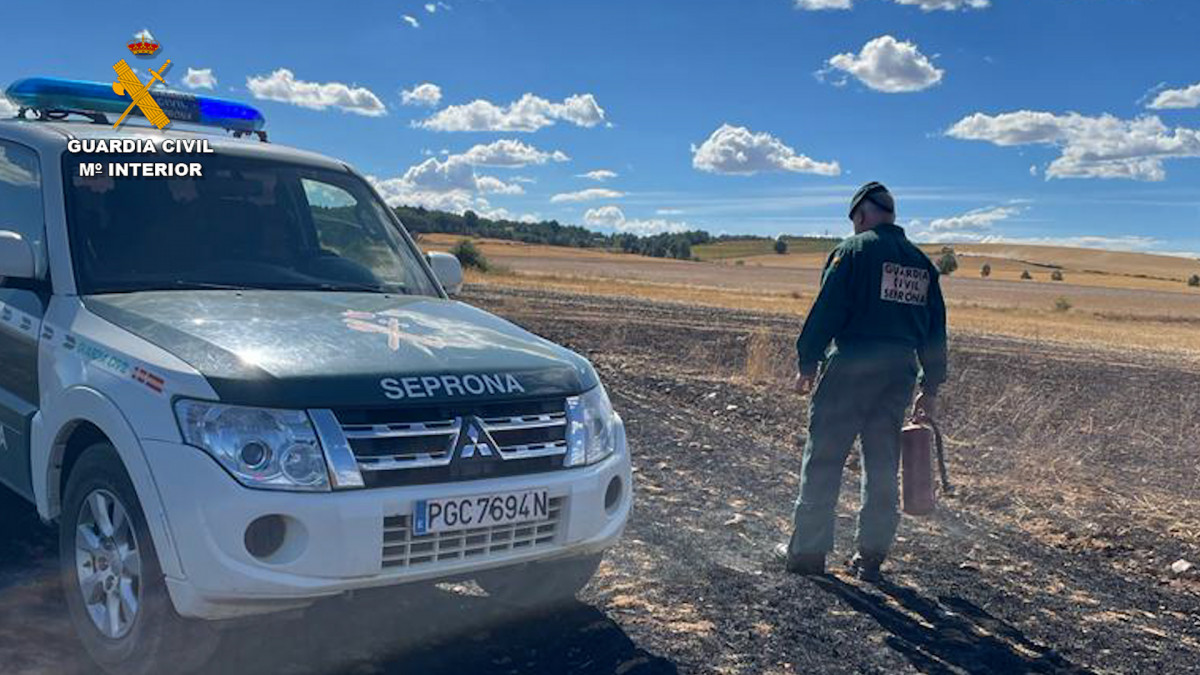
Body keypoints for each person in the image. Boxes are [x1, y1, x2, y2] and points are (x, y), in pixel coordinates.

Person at [774, 182, 947, 582]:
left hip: (851, 365)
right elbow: (936, 330)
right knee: (883, 463)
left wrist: (808, 360)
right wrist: (930, 387)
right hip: (898, 374)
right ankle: (870, 558)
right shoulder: (922, 264)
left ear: (861, 215)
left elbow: (828, 309)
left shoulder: (853, 251)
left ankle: (807, 553)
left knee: (824, 458)